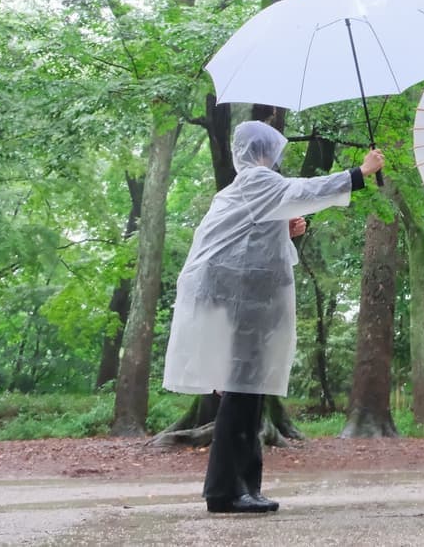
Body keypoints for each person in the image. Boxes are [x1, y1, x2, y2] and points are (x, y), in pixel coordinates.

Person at [163, 120, 384, 514]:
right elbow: (304, 190)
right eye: (272, 152)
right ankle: (225, 492)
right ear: (261, 152)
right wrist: (360, 172)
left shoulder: (246, 189)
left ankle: (244, 487)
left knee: (249, 393)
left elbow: (250, 243)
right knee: (241, 394)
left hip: (241, 305)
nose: (276, 159)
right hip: (237, 306)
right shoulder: (257, 181)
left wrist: (286, 231)